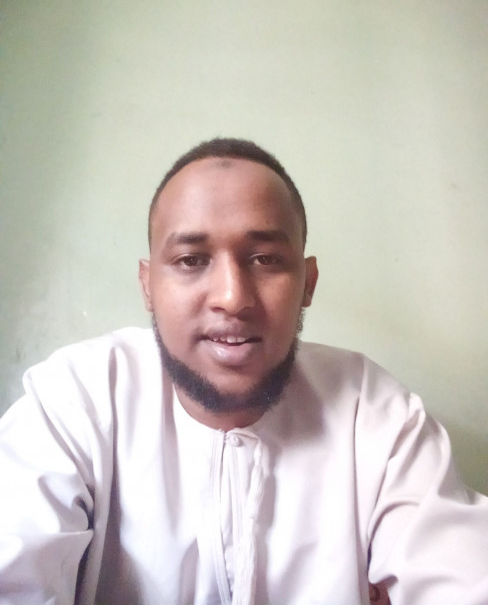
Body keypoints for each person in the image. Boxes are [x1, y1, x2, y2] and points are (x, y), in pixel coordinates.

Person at [0, 138, 487, 605]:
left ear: (308, 282)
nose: (232, 297)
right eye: (191, 260)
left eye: (266, 259)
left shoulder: (375, 415)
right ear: (148, 285)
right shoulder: (76, 402)